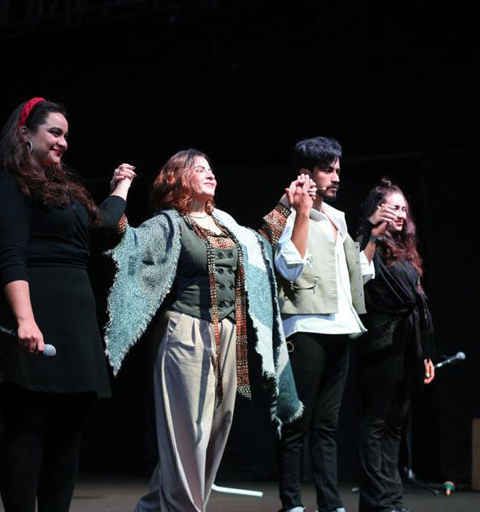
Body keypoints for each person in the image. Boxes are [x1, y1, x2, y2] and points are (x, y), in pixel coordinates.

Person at [103, 148, 304, 512]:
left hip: (228, 336)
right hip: (185, 332)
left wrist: (286, 205)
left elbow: (259, 244)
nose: (211, 174)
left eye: (211, 169)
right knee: (188, 435)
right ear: (178, 179)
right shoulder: (169, 224)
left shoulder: (224, 223)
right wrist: (121, 187)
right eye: (200, 170)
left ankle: (154, 507)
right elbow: (123, 239)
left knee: (214, 431)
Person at [0, 97, 136, 512]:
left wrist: (120, 186)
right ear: (25, 134)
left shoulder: (65, 192)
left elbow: (104, 223)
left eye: (66, 135)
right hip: (37, 315)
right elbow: (10, 256)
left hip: (74, 323)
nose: (63, 142)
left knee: (69, 431)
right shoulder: (8, 185)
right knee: (28, 426)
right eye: (54, 132)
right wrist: (25, 320)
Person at [265, 136, 375, 512]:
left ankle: (331, 503)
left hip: (341, 327)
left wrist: (373, 237)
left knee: (327, 425)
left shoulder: (337, 217)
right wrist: (299, 212)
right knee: (296, 422)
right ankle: (292, 503)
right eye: (328, 169)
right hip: (306, 327)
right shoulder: (284, 215)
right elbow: (288, 267)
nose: (336, 176)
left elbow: (354, 273)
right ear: (306, 173)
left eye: (338, 169)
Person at [357, 177, 436, 512]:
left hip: (408, 346)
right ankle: (376, 501)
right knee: (376, 424)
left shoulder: (406, 251)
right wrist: (372, 232)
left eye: (404, 208)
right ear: (378, 209)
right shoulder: (367, 243)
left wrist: (425, 353)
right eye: (394, 207)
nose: (401, 214)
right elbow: (358, 276)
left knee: (395, 425)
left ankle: (391, 498)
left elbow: (419, 304)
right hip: (381, 344)